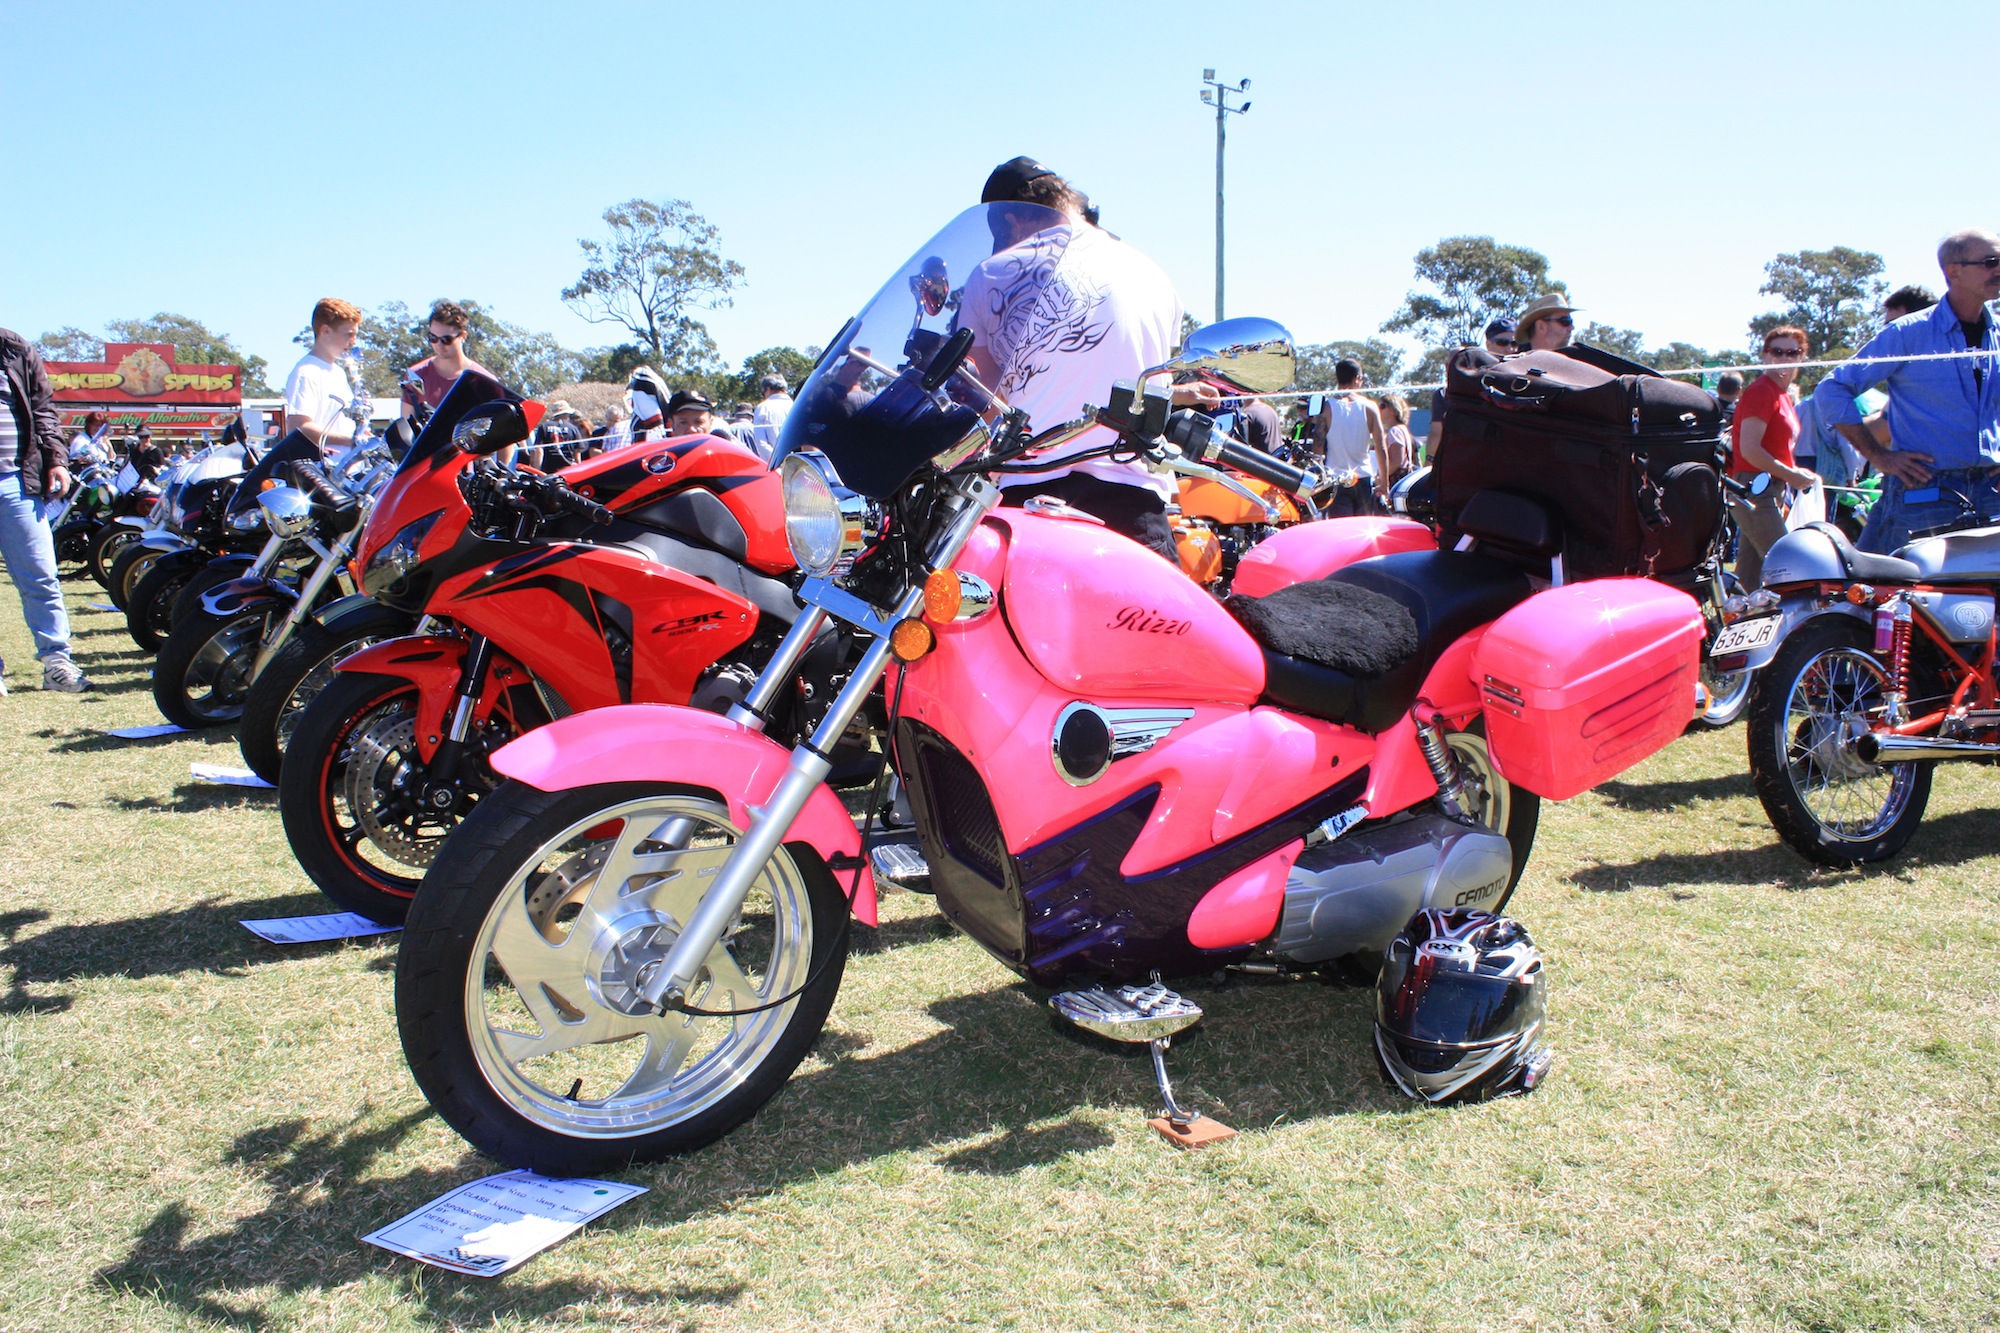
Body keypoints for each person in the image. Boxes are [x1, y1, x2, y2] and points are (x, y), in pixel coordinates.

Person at [955, 157, 1213, 561]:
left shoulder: (994, 272)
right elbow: (1139, 382)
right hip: (1136, 508)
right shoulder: (1153, 274)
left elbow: (983, 399)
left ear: (1010, 220)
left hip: (1032, 503)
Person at [1810, 227, 2000, 553]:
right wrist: (1879, 456)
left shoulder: (1996, 333)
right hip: (1926, 492)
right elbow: (1832, 389)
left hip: (1992, 492)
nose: (1999, 270)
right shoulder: (1908, 333)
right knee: (1908, 595)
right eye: (1991, 261)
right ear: (1953, 271)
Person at [0, 326, 91, 693]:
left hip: (16, 482)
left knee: (41, 575)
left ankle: (56, 662)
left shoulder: (14, 349)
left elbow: (43, 410)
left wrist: (56, 459)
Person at [1726, 327, 1820, 588]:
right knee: (1788, 563)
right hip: (1754, 487)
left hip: (1771, 487)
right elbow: (1751, 450)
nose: (1784, 358)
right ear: (1765, 355)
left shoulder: (1782, 395)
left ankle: (1736, 621)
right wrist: (1792, 475)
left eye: (1793, 352)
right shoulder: (1761, 392)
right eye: (1777, 352)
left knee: (1750, 574)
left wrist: (1794, 474)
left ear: (1802, 357)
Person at [1424, 318, 1517, 458]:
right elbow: (1437, 433)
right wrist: (1431, 461)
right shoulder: (1472, 382)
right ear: (1488, 344)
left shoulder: (1524, 381)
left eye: (1514, 343)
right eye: (1502, 342)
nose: (1510, 349)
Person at [284, 297, 363, 450]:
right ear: (325, 331)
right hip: (325, 470)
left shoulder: (338, 372)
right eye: (349, 334)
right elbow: (299, 427)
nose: (354, 341)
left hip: (349, 470)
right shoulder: (306, 372)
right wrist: (352, 440)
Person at [1318, 359, 1389, 515]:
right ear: (1357, 378)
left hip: (1336, 479)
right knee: (1363, 530)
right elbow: (1380, 446)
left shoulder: (1327, 408)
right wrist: (1384, 482)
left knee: (1341, 530)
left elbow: (1318, 447)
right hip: (1363, 477)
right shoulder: (1370, 407)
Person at [401, 300, 493, 415]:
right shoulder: (416, 376)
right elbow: (406, 426)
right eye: (433, 338)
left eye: (446, 340)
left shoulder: (484, 381)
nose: (439, 345)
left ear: (463, 336)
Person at [750, 374, 792, 462]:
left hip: (773, 463)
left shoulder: (763, 408)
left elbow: (761, 443)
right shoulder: (796, 406)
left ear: (768, 389)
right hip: (798, 464)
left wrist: (777, 461)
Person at [1379, 393, 1417, 481]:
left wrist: (1380, 477)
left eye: (1383, 406)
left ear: (1393, 410)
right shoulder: (1403, 429)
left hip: (1396, 479)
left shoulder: (1394, 431)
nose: (1379, 409)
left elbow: (1397, 461)